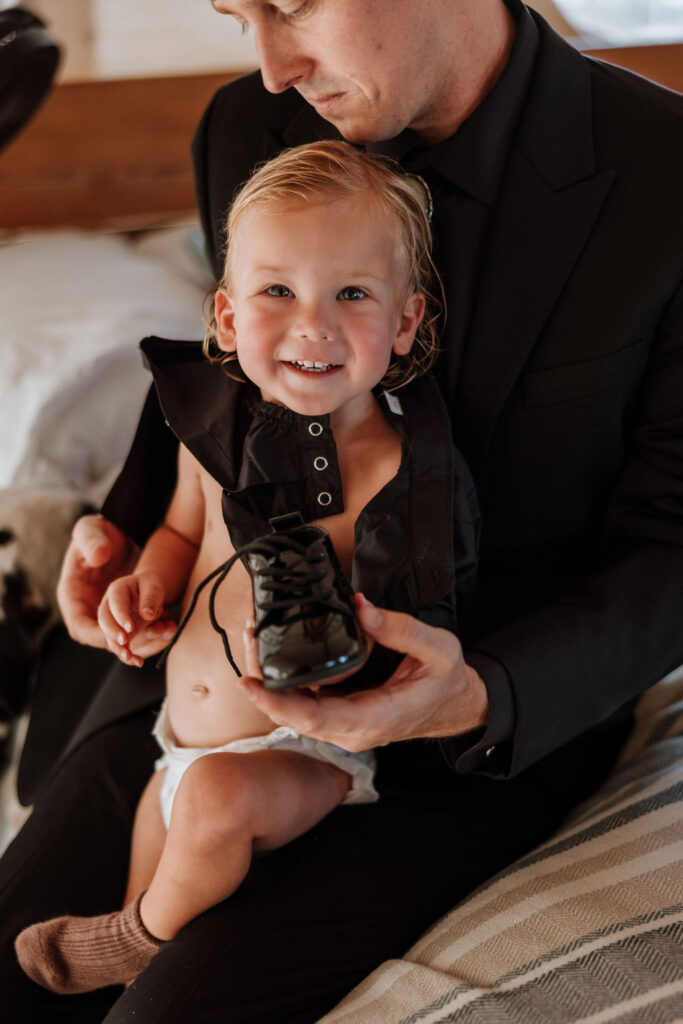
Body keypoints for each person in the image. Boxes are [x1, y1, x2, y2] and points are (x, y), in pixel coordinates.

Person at [2, 1, 681, 1021]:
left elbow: (672, 546)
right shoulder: (243, 126)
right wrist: (125, 529)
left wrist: (484, 693)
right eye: (242, 17)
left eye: (290, 4)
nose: (274, 65)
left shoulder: (666, 177)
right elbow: (214, 386)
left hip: (462, 746)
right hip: (188, 691)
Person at [14, 139, 479, 994]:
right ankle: (133, 944)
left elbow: (417, 616)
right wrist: (146, 585)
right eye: (278, 291)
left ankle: (138, 936)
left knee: (216, 805)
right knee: (135, 959)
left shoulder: (396, 470)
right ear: (226, 318)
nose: (314, 323)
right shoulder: (217, 435)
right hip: (172, 749)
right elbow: (183, 537)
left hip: (300, 752)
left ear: (406, 322)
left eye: (351, 293)